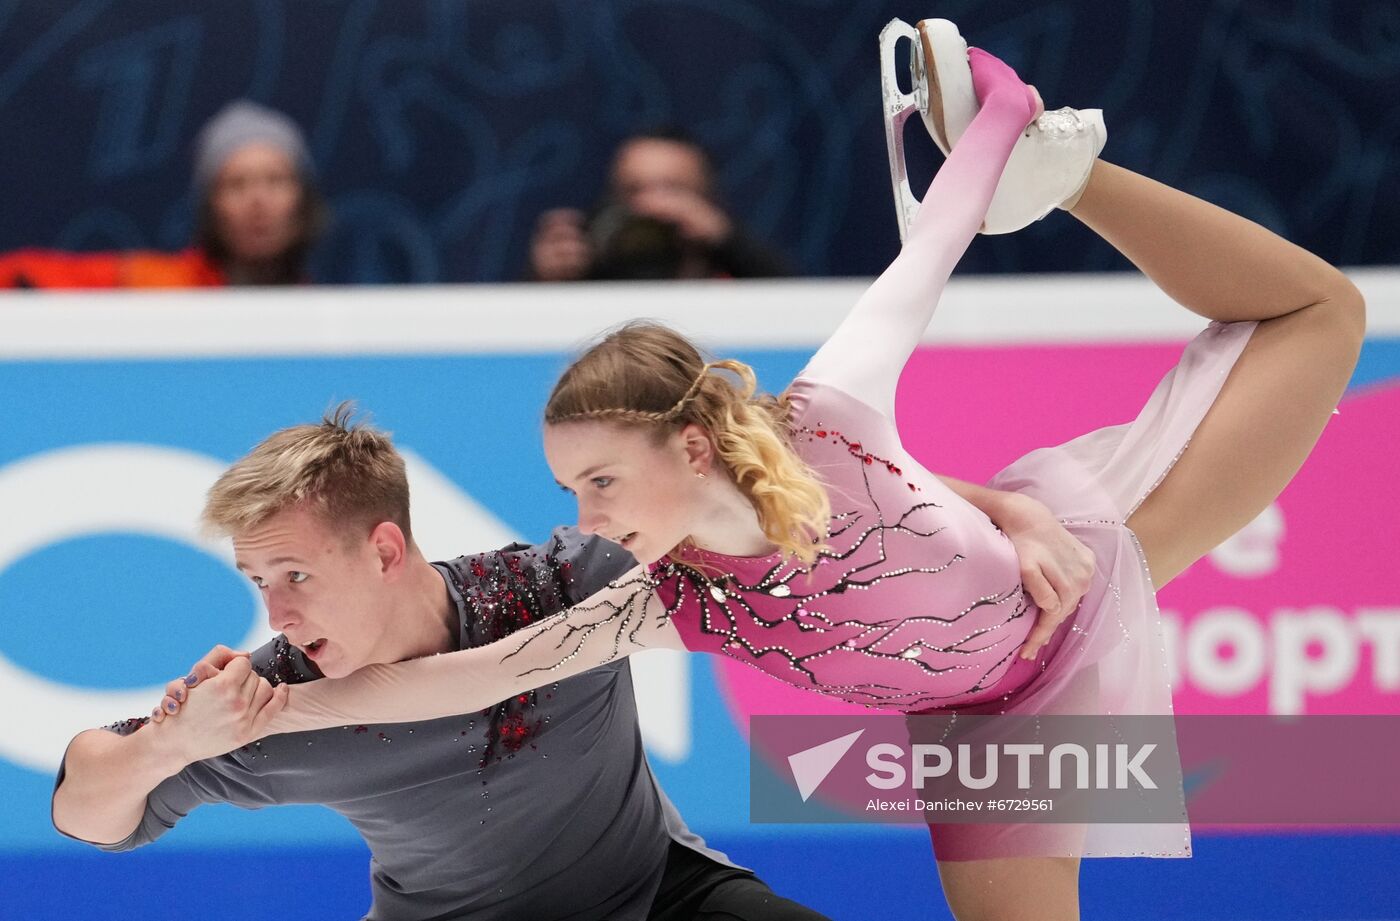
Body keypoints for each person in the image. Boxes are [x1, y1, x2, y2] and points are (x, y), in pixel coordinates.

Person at [158, 30, 1364, 921]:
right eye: (570, 489)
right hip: (977, 721)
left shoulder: (827, 414)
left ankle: (1079, 180)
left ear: (689, 448)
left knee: (1321, 310)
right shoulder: (659, 599)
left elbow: (930, 245)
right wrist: (248, 716)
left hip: (1080, 584)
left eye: (598, 484)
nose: (579, 519)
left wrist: (999, 127)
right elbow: (455, 681)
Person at [50, 407, 833, 921]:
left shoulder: (557, 587)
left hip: (659, 897)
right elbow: (85, 815)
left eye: (296, 575)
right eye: (259, 583)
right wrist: (171, 742)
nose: (277, 614)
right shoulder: (264, 703)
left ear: (384, 548)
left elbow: (766, 539)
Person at [1, 100, 326, 288]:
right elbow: (19, 273)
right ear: (210, 205)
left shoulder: (327, 318)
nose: (258, 201)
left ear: (303, 199)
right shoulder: (156, 286)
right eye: (237, 184)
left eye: (276, 181)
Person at [527, 128, 790, 281]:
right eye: (633, 190)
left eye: (672, 190)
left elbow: (799, 311)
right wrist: (543, 280)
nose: (650, 205)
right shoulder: (590, 272)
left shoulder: (736, 275)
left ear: (709, 201)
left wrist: (729, 240)